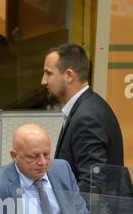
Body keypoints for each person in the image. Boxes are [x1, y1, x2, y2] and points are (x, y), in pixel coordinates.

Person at [41, 43, 124, 195]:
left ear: (69, 76)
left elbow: (92, 186)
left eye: (48, 73)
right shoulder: (91, 106)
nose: (43, 81)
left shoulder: (87, 118)